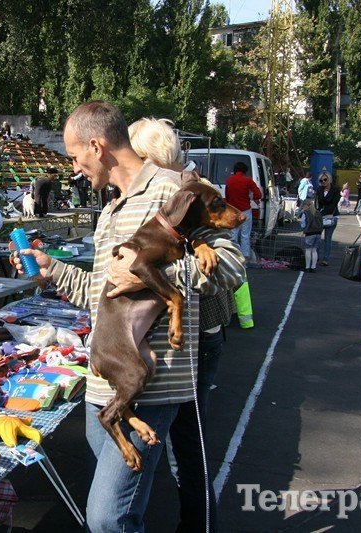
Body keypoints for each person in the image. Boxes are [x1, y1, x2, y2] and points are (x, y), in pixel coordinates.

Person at [12, 101, 242, 532]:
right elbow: (102, 295)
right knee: (121, 512)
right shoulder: (111, 209)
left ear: (96, 147)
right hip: (103, 383)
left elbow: (231, 267)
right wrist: (53, 270)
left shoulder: (176, 190)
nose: (75, 168)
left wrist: (153, 276)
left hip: (153, 386)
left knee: (107, 518)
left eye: (75, 157)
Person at [128, 116, 246, 532]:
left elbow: (230, 267)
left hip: (199, 337)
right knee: (174, 444)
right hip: (176, 340)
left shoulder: (191, 195)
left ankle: (198, 525)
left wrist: (185, 257)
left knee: (186, 448)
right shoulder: (161, 197)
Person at [224, 161, 262, 262]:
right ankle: (244, 259)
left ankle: (232, 257)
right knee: (245, 235)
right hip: (245, 211)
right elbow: (259, 194)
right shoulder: (248, 181)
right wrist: (251, 196)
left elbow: (227, 196)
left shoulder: (229, 180)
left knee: (233, 234)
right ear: (245, 171)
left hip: (233, 211)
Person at [314, 171, 340, 266]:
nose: (323, 182)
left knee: (327, 239)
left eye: (325, 179)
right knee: (316, 238)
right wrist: (316, 213)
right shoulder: (319, 189)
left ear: (329, 179)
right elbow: (317, 203)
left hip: (331, 217)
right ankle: (315, 256)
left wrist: (321, 212)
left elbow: (333, 205)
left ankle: (326, 258)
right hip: (320, 217)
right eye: (321, 180)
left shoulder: (335, 190)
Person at [300, 199, 323, 272]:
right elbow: (322, 222)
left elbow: (303, 223)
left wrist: (304, 229)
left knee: (308, 250)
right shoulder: (318, 213)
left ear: (305, 205)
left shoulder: (305, 213)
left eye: (303, 205)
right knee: (314, 250)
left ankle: (307, 267)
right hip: (318, 233)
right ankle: (313, 267)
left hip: (310, 233)